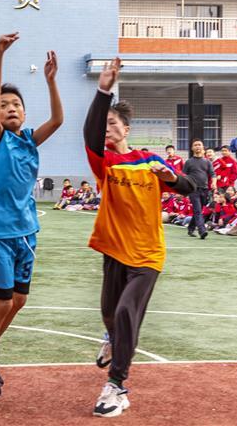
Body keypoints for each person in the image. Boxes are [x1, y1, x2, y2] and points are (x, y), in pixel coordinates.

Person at [82, 57, 194, 418]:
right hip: (114, 249)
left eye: (112, 124)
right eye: (104, 125)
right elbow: (89, 131)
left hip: (146, 255)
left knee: (127, 313)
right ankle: (112, 340)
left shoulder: (149, 161)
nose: (106, 129)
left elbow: (191, 187)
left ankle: (117, 386)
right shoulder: (104, 163)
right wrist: (102, 90)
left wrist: (171, 178)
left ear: (126, 128)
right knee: (110, 315)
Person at [0, 33, 62, 399]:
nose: (10, 108)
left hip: (26, 234)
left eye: (16, 104)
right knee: (2, 300)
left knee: (19, 300)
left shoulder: (29, 140)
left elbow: (59, 119)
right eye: (4, 105)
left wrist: (51, 81)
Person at [183, 138, 215, 239]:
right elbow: (183, 176)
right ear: (192, 148)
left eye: (199, 145)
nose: (197, 146)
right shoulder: (188, 162)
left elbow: (213, 174)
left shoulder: (207, 162)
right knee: (197, 210)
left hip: (205, 190)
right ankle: (202, 231)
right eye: (195, 145)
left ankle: (191, 228)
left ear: (203, 147)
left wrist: (214, 183)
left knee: (199, 210)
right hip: (193, 190)